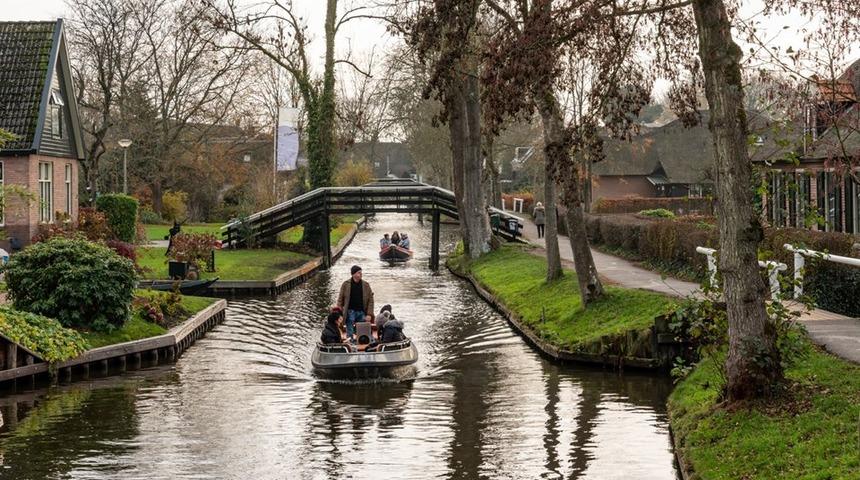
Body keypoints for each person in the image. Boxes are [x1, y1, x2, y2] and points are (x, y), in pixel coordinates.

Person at [336, 265, 374, 343]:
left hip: (361, 311)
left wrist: (369, 314)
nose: (360, 274)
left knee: (363, 329)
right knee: (349, 328)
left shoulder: (366, 285)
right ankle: (350, 343)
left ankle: (364, 343)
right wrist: (339, 313)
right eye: (358, 273)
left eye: (361, 272)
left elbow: (371, 300)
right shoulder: (345, 284)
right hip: (350, 311)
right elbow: (340, 300)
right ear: (353, 274)